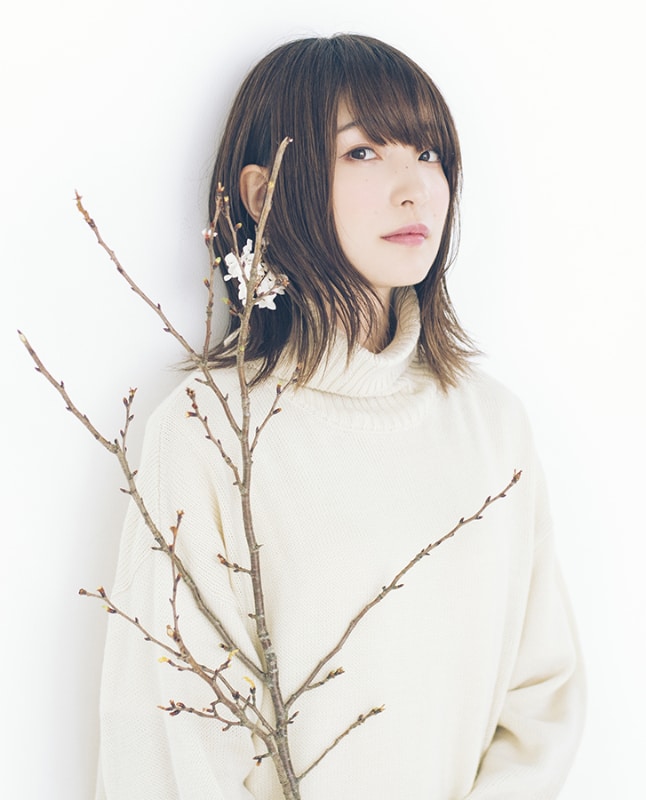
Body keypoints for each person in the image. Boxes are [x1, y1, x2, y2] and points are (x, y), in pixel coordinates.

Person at [96, 34, 584, 800]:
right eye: (362, 152)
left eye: (429, 153)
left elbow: (541, 698)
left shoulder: (491, 426)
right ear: (262, 193)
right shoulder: (204, 430)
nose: (415, 188)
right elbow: (168, 740)